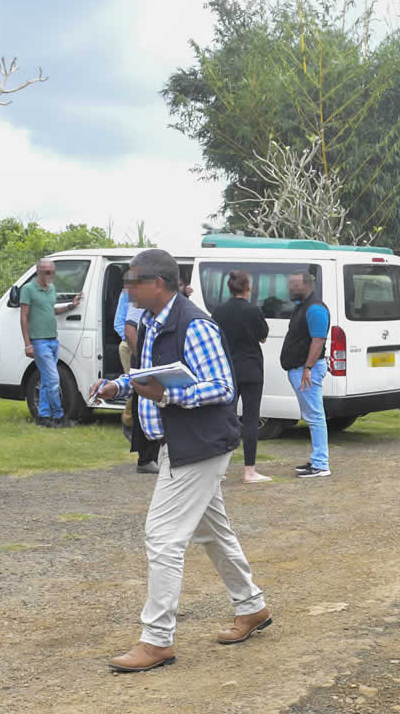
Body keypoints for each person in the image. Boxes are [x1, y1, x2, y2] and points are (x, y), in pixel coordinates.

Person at [89, 249, 270, 673]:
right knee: (211, 532)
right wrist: (120, 385)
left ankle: (157, 640)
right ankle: (252, 607)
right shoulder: (153, 321)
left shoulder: (194, 324)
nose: (126, 287)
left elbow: (223, 388)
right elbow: (150, 375)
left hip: (199, 443)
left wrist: (170, 395)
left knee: (164, 537)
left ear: (160, 283)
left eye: (133, 281)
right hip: (183, 439)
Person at [214, 270, 271, 484]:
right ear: (248, 288)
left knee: (225, 417)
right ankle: (249, 471)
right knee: (250, 419)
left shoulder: (219, 311)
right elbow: (263, 337)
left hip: (228, 369)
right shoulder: (253, 310)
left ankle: (219, 469)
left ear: (229, 288)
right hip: (252, 369)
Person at [20, 258, 83, 428]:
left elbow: (52, 310)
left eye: (52, 272)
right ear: (38, 272)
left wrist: (71, 306)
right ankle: (59, 416)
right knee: (54, 379)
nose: (51, 275)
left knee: (47, 381)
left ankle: (43, 417)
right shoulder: (28, 290)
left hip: (53, 340)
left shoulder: (52, 288)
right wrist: (28, 344)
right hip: (39, 341)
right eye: (47, 272)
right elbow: (24, 317)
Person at [280, 271, 331, 478]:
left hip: (306, 370)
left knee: (315, 416)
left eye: (294, 285)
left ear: (307, 285)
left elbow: (318, 341)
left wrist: (308, 368)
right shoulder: (304, 306)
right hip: (301, 369)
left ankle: (321, 464)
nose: (290, 288)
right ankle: (317, 459)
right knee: (312, 416)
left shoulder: (316, 309)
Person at [115, 290, 159, 473]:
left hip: (147, 354)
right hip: (139, 353)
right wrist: (141, 359)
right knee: (140, 397)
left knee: (149, 399)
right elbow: (128, 328)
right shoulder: (137, 298)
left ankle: (152, 456)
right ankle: (145, 457)